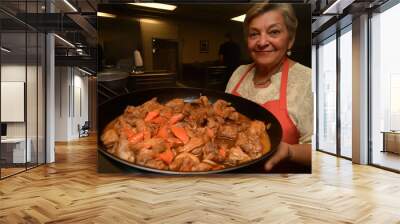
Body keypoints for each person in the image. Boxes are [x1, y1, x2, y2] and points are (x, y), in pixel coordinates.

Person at [225, 3, 312, 172]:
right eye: (254, 34)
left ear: (290, 39)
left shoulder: (307, 80)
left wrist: (290, 151)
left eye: (274, 32)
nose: (262, 42)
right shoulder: (239, 73)